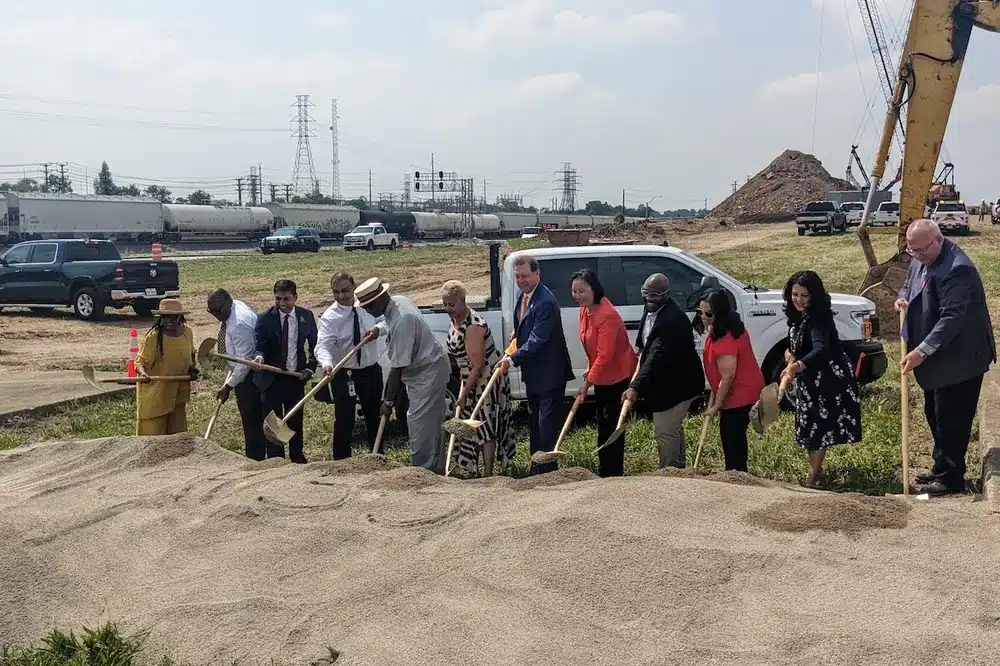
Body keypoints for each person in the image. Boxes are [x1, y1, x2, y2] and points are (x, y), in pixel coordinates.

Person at [896, 218, 996, 495]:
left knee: (952, 419)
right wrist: (902, 298)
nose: (915, 256)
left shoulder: (958, 269)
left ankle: (951, 478)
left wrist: (921, 351)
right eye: (911, 250)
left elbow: (952, 319)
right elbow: (909, 284)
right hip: (937, 358)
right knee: (935, 412)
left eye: (920, 251)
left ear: (938, 240)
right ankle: (941, 467)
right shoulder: (922, 258)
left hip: (961, 358)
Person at [358, 276, 452, 473]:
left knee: (421, 427)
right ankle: (434, 469)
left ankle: (422, 472)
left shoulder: (403, 322)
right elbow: (388, 322)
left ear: (378, 301)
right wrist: (378, 329)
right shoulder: (398, 301)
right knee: (430, 424)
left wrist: (387, 402)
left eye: (368, 306)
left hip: (428, 373)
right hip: (424, 371)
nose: (367, 310)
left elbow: (397, 368)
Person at [780, 270, 863, 488]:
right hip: (809, 378)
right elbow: (797, 344)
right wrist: (790, 357)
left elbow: (821, 349)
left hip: (828, 379)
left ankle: (812, 477)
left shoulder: (820, 318)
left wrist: (796, 367)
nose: (798, 299)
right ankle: (817, 470)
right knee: (809, 427)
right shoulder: (797, 315)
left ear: (814, 296)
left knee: (818, 429)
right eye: (794, 294)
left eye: (803, 295)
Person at [499, 255, 574, 475]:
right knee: (535, 424)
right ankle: (537, 468)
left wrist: (512, 359)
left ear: (537, 274)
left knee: (546, 427)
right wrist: (512, 347)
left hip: (550, 376)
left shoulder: (545, 302)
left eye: (525, 276)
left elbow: (537, 339)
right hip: (534, 376)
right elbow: (522, 333)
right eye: (518, 276)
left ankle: (548, 472)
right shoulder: (524, 298)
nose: (521, 280)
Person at [623, 273, 705, 469]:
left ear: (666, 294)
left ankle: (669, 476)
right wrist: (640, 345)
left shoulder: (673, 320)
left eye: (656, 295)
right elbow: (647, 340)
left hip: (678, 385)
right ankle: (679, 469)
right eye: (646, 294)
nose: (650, 299)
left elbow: (655, 357)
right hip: (665, 381)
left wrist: (635, 388)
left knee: (665, 431)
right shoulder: (652, 306)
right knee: (672, 430)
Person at [441, 279, 515, 476]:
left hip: (486, 379)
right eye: (445, 304)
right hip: (469, 375)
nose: (448, 308)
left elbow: (479, 365)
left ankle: (488, 473)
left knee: (484, 426)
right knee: (468, 424)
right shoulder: (455, 319)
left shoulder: (473, 326)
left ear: (463, 301)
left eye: (452, 304)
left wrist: (464, 394)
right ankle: (470, 469)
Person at [572, 269, 636, 477]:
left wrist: (587, 382)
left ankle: (613, 474)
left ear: (594, 288)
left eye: (582, 290)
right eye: (574, 291)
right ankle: (605, 470)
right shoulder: (585, 310)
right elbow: (592, 348)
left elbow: (605, 354)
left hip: (616, 378)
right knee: (603, 427)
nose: (578, 295)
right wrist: (591, 373)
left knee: (612, 430)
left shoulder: (606, 315)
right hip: (601, 377)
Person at [693, 289, 765, 472]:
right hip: (739, 391)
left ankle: (737, 478)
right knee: (732, 438)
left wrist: (717, 406)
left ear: (720, 313)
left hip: (740, 396)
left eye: (708, 313)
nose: (703, 316)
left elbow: (727, 377)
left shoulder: (726, 338)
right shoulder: (724, 327)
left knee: (733, 441)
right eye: (699, 311)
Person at [315, 273, 385, 460]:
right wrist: (327, 364)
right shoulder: (331, 317)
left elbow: (388, 320)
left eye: (345, 290)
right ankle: (341, 462)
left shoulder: (367, 306)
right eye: (336, 292)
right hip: (345, 373)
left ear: (354, 287)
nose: (341, 296)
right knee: (344, 420)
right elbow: (322, 346)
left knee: (374, 417)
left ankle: (378, 458)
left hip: (370, 371)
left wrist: (379, 329)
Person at [252, 279, 318, 463]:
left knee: (295, 419)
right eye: (278, 299)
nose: (282, 303)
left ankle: (297, 457)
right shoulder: (264, 319)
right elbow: (260, 347)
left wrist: (309, 369)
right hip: (272, 379)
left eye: (286, 299)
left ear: (295, 297)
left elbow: (315, 346)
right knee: (274, 422)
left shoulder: (306, 316)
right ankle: (276, 459)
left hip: (295, 378)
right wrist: (259, 358)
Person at [207, 289, 266, 459]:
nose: (215, 315)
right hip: (243, 370)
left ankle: (257, 460)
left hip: (252, 378)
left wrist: (228, 386)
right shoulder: (230, 311)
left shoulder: (239, 324)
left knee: (253, 422)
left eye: (218, 310)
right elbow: (235, 359)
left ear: (228, 302)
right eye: (211, 311)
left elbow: (244, 363)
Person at [134, 298, 199, 436]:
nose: (169, 321)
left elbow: (191, 355)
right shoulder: (153, 337)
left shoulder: (188, 332)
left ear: (180, 317)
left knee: (177, 439)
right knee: (153, 441)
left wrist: (192, 369)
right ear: (160, 317)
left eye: (173, 317)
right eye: (165, 317)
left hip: (177, 395)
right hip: (156, 395)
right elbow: (139, 362)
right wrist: (143, 374)